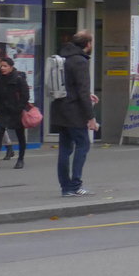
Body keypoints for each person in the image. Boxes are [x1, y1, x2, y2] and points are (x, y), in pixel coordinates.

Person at [50, 30, 99, 197]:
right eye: (91, 43)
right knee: (83, 145)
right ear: (87, 44)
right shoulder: (80, 62)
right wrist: (90, 117)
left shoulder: (64, 58)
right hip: (74, 112)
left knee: (64, 149)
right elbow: (82, 91)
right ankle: (75, 185)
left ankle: (65, 187)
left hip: (60, 109)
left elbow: (69, 86)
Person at [0, 56, 29, 169]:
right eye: (2, 66)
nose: (3, 68)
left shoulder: (18, 78)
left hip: (15, 112)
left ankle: (20, 159)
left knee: (20, 136)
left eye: (5, 66)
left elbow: (25, 96)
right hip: (2, 110)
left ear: (11, 67)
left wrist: (18, 108)